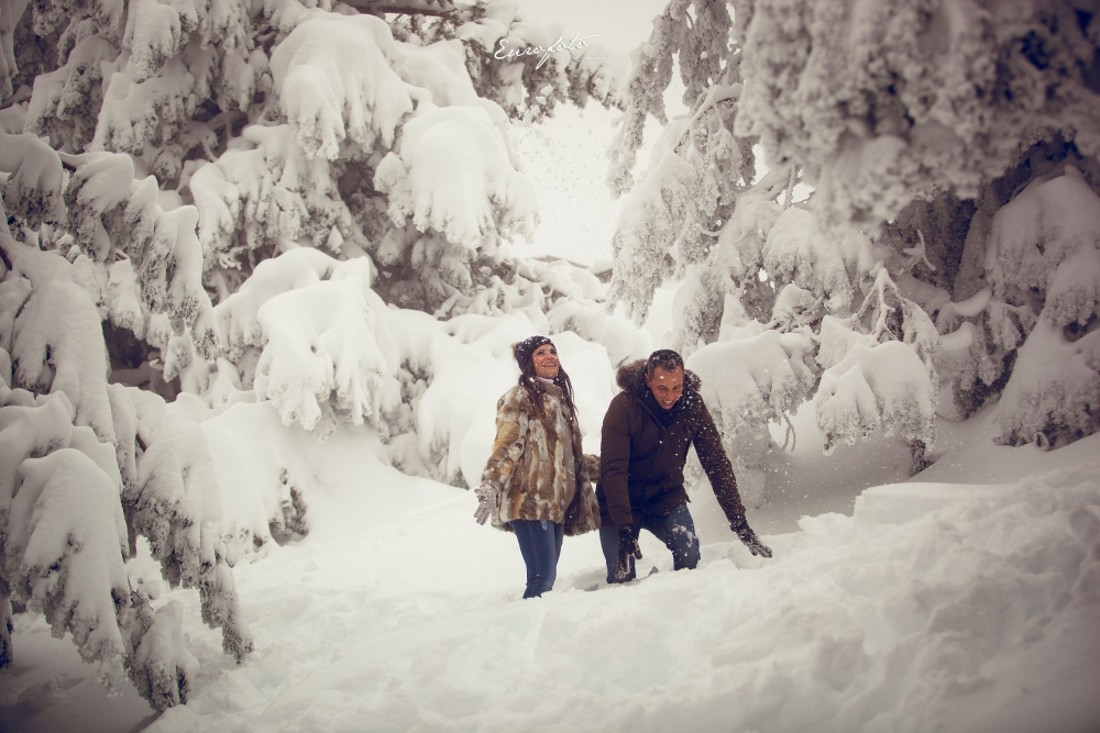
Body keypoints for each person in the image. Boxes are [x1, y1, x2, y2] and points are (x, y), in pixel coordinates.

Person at [598, 348, 771, 583]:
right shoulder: (624, 406)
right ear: (647, 379)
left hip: (664, 496)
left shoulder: (692, 405)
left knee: (689, 557)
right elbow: (613, 470)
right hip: (620, 500)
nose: (670, 397)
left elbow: (716, 463)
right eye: (662, 388)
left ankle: (677, 603)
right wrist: (624, 527)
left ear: (683, 381)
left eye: (676, 388)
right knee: (622, 574)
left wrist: (738, 521)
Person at [473, 335, 600, 598]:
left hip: (555, 504)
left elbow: (566, 458)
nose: (550, 356)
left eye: (552, 351)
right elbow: (508, 445)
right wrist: (491, 483)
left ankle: (536, 628)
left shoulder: (559, 402)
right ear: (528, 363)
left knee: (546, 575)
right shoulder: (521, 397)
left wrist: (608, 466)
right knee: (543, 576)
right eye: (541, 353)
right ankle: (523, 631)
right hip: (530, 499)